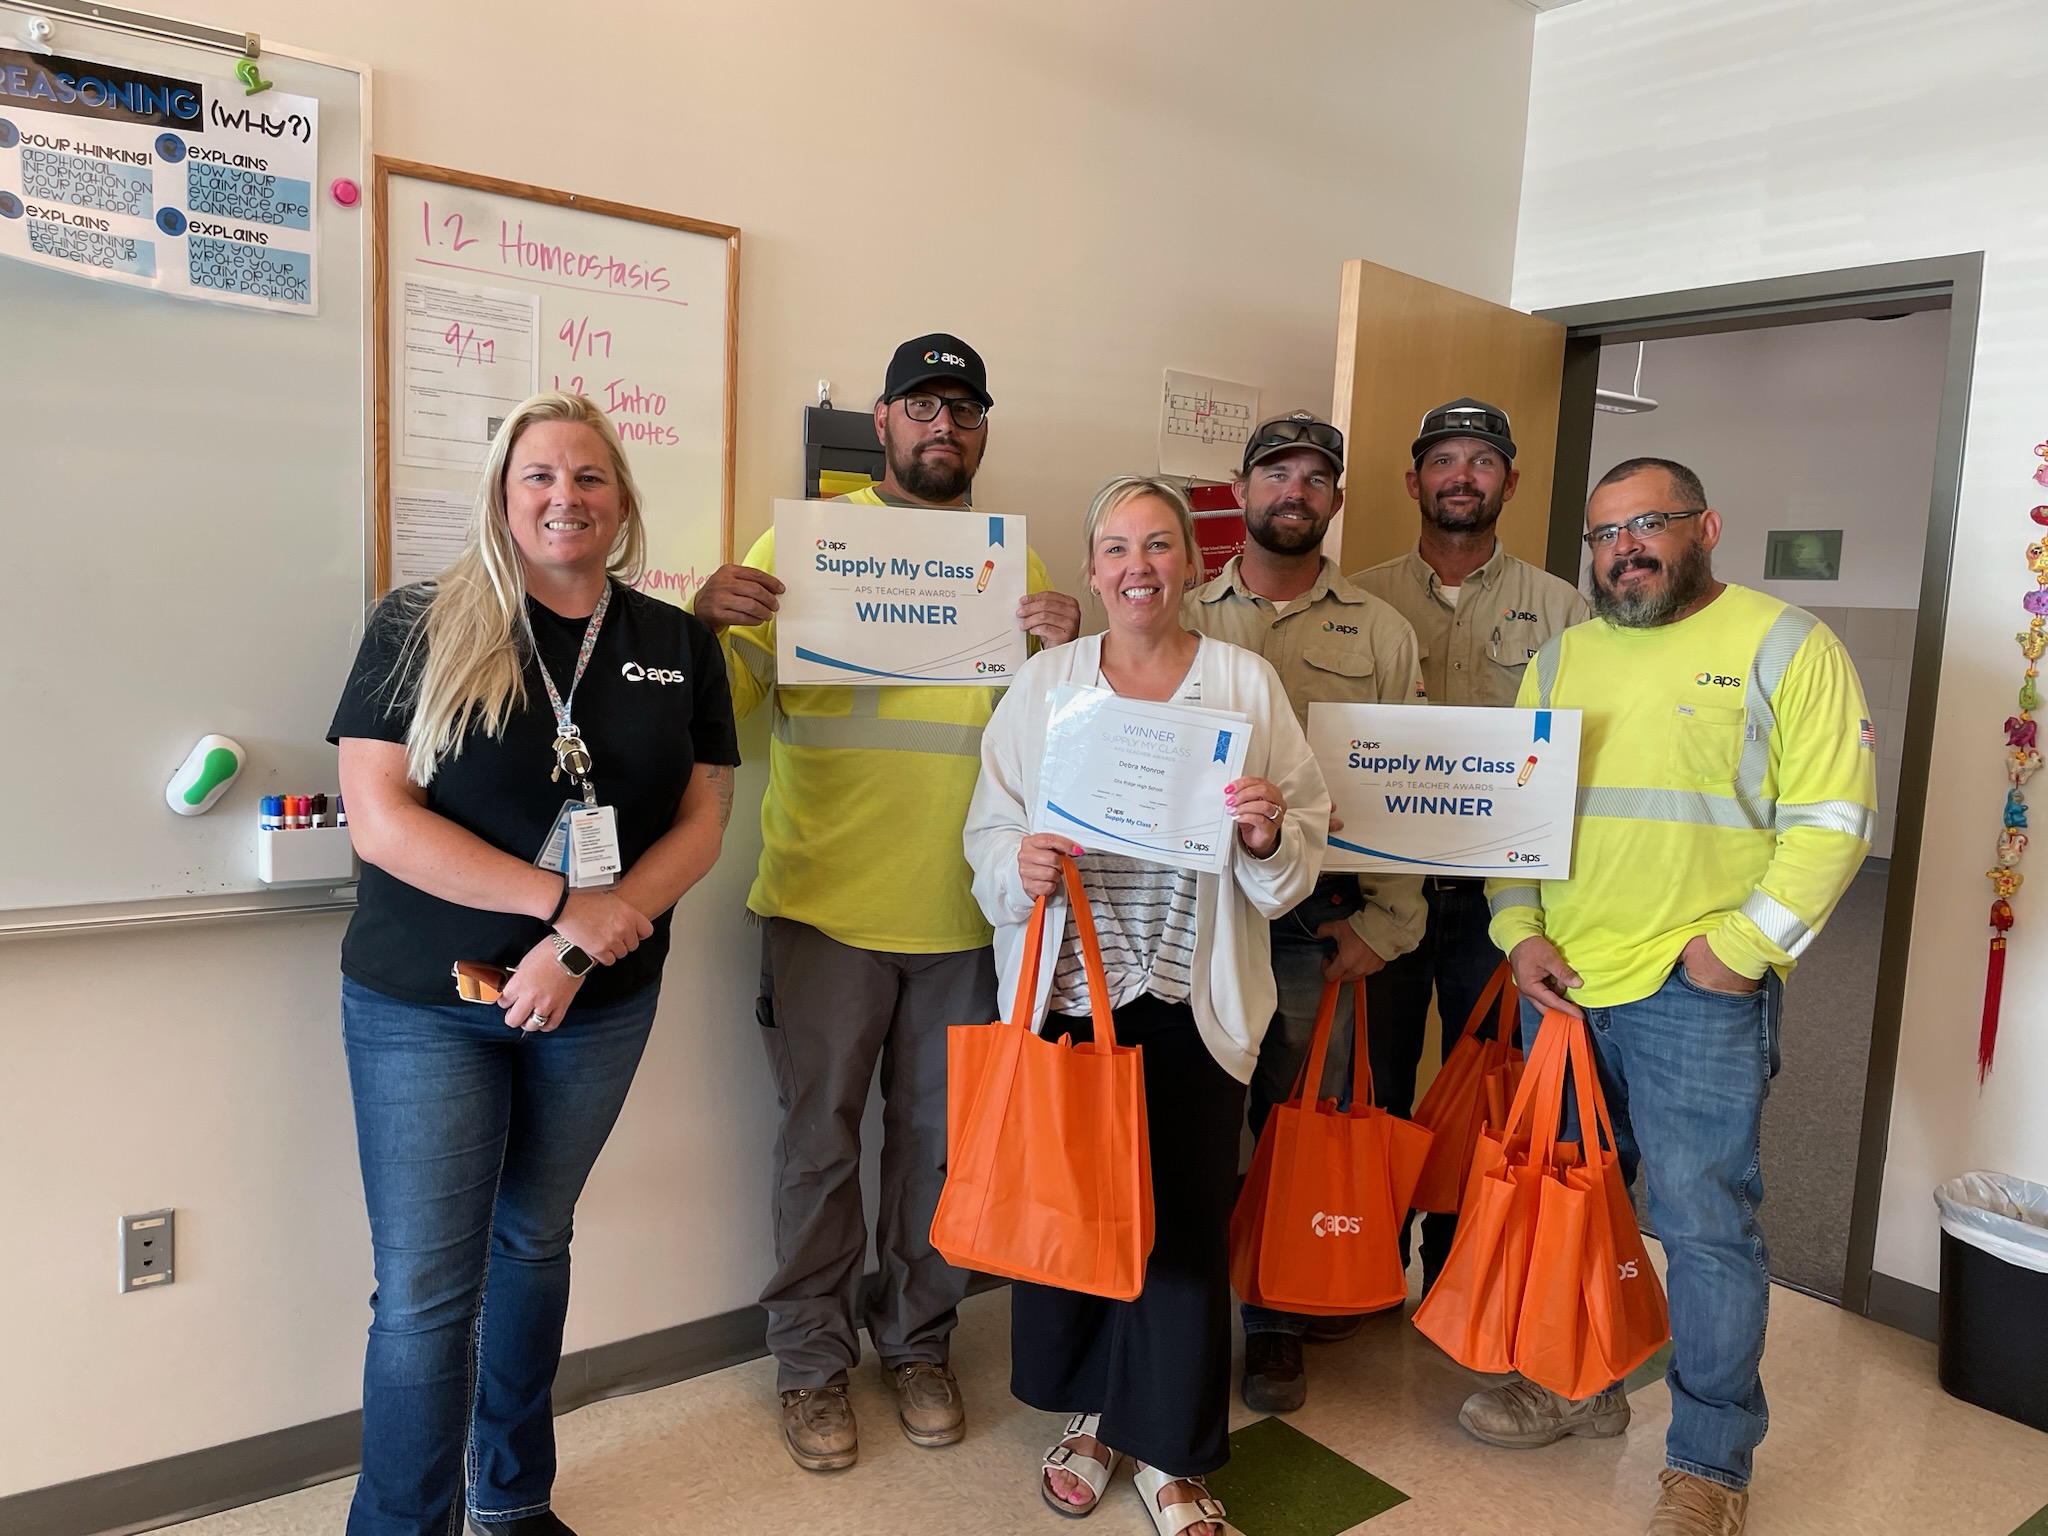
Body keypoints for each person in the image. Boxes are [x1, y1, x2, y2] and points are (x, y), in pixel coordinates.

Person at [331, 393, 738, 1536]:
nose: (566, 497)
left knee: (532, 1239)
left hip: (597, 1001)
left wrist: (575, 945)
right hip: (425, 1003)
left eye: (589, 477)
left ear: (622, 501)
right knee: (425, 1293)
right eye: (540, 477)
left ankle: (509, 1497)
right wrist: (560, 903)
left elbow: (702, 821)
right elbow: (380, 818)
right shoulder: (418, 624)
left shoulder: (677, 644)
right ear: (502, 499)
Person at [693, 333, 1081, 1470]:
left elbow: (1053, 751)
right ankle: (810, 1361)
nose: (941, 425)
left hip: (968, 917)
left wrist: (1070, 658)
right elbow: (729, 716)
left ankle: (917, 1343)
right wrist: (705, 627)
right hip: (822, 909)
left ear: (982, 429)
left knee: (939, 1153)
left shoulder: (1016, 562)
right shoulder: (806, 544)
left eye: (962, 409)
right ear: (881, 421)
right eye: (921, 405)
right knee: (817, 1151)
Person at [1466, 457, 1876, 1536]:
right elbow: (1513, 817)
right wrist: (1517, 931)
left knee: (1703, 1232)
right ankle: (1574, 1385)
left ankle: (1707, 1466)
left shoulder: (1786, 645)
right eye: (1604, 535)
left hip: (1694, 997)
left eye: (1647, 524)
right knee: (1568, 1207)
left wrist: (1741, 950)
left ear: (1706, 527)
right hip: (1563, 985)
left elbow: (1833, 824)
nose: (1624, 550)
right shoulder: (1559, 658)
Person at [965, 474, 1328, 1536]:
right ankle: (1095, 1419)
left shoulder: (1242, 683)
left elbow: (1300, 833)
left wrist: (1266, 833)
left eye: (1159, 545)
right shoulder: (1046, 684)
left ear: (1189, 563)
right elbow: (988, 825)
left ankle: (1170, 1455)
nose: (1138, 567)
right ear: (1092, 570)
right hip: (1071, 998)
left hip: (1188, 999)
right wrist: (1017, 863)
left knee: (1177, 1233)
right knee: (1079, 1224)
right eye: (1118, 548)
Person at [1183, 411, 1428, 1415]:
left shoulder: (1380, 630)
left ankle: (1276, 1321)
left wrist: (1386, 923)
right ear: (1240, 490)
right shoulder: (1181, 610)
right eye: (1275, 473)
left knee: (1296, 1123)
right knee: (1197, 1117)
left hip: (1316, 921)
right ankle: (1185, 1313)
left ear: (1334, 500)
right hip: (1200, 911)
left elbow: (1406, 784)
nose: (1294, 491)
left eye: (1315, 478)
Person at [1355, 398, 1589, 1294]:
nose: (1462, 477)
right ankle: (1365, 1265)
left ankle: (1460, 1275)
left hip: (1499, 905)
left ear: (1510, 482)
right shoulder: (1361, 600)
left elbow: (1576, 756)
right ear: (1414, 481)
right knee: (1371, 1088)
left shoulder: (1563, 608)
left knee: (1488, 1094)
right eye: (1444, 461)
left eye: (1481, 461)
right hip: (1380, 898)